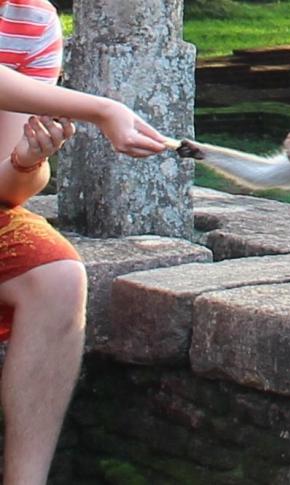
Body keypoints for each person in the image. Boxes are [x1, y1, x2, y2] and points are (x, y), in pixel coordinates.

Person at [0, 0, 167, 483]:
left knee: (58, 276)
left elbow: (8, 190)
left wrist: (27, 160)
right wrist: (100, 108)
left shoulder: (30, 19)